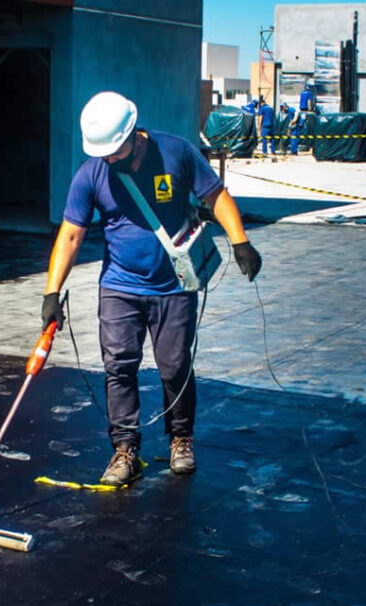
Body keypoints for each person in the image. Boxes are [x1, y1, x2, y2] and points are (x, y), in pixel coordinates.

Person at [41, 91, 262, 486]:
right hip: (119, 287)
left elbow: (216, 195)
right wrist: (51, 292)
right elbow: (71, 235)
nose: (109, 158)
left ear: (133, 134)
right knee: (118, 367)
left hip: (174, 287)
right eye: (103, 153)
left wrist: (240, 240)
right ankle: (124, 449)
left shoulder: (176, 153)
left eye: (114, 150)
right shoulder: (91, 173)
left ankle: (181, 438)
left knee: (175, 366)